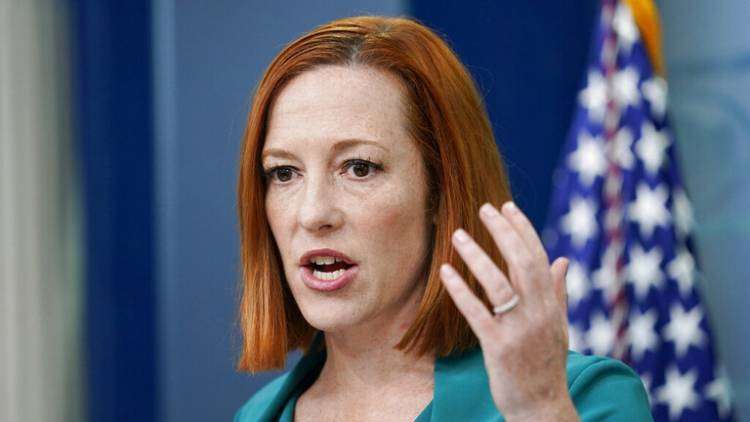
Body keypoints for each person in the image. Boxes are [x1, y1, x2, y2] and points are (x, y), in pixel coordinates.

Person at [234, 15, 652, 421]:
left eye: (359, 167)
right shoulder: (258, 414)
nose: (312, 214)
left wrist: (540, 410)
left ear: (439, 190)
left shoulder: (582, 397)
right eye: (284, 172)